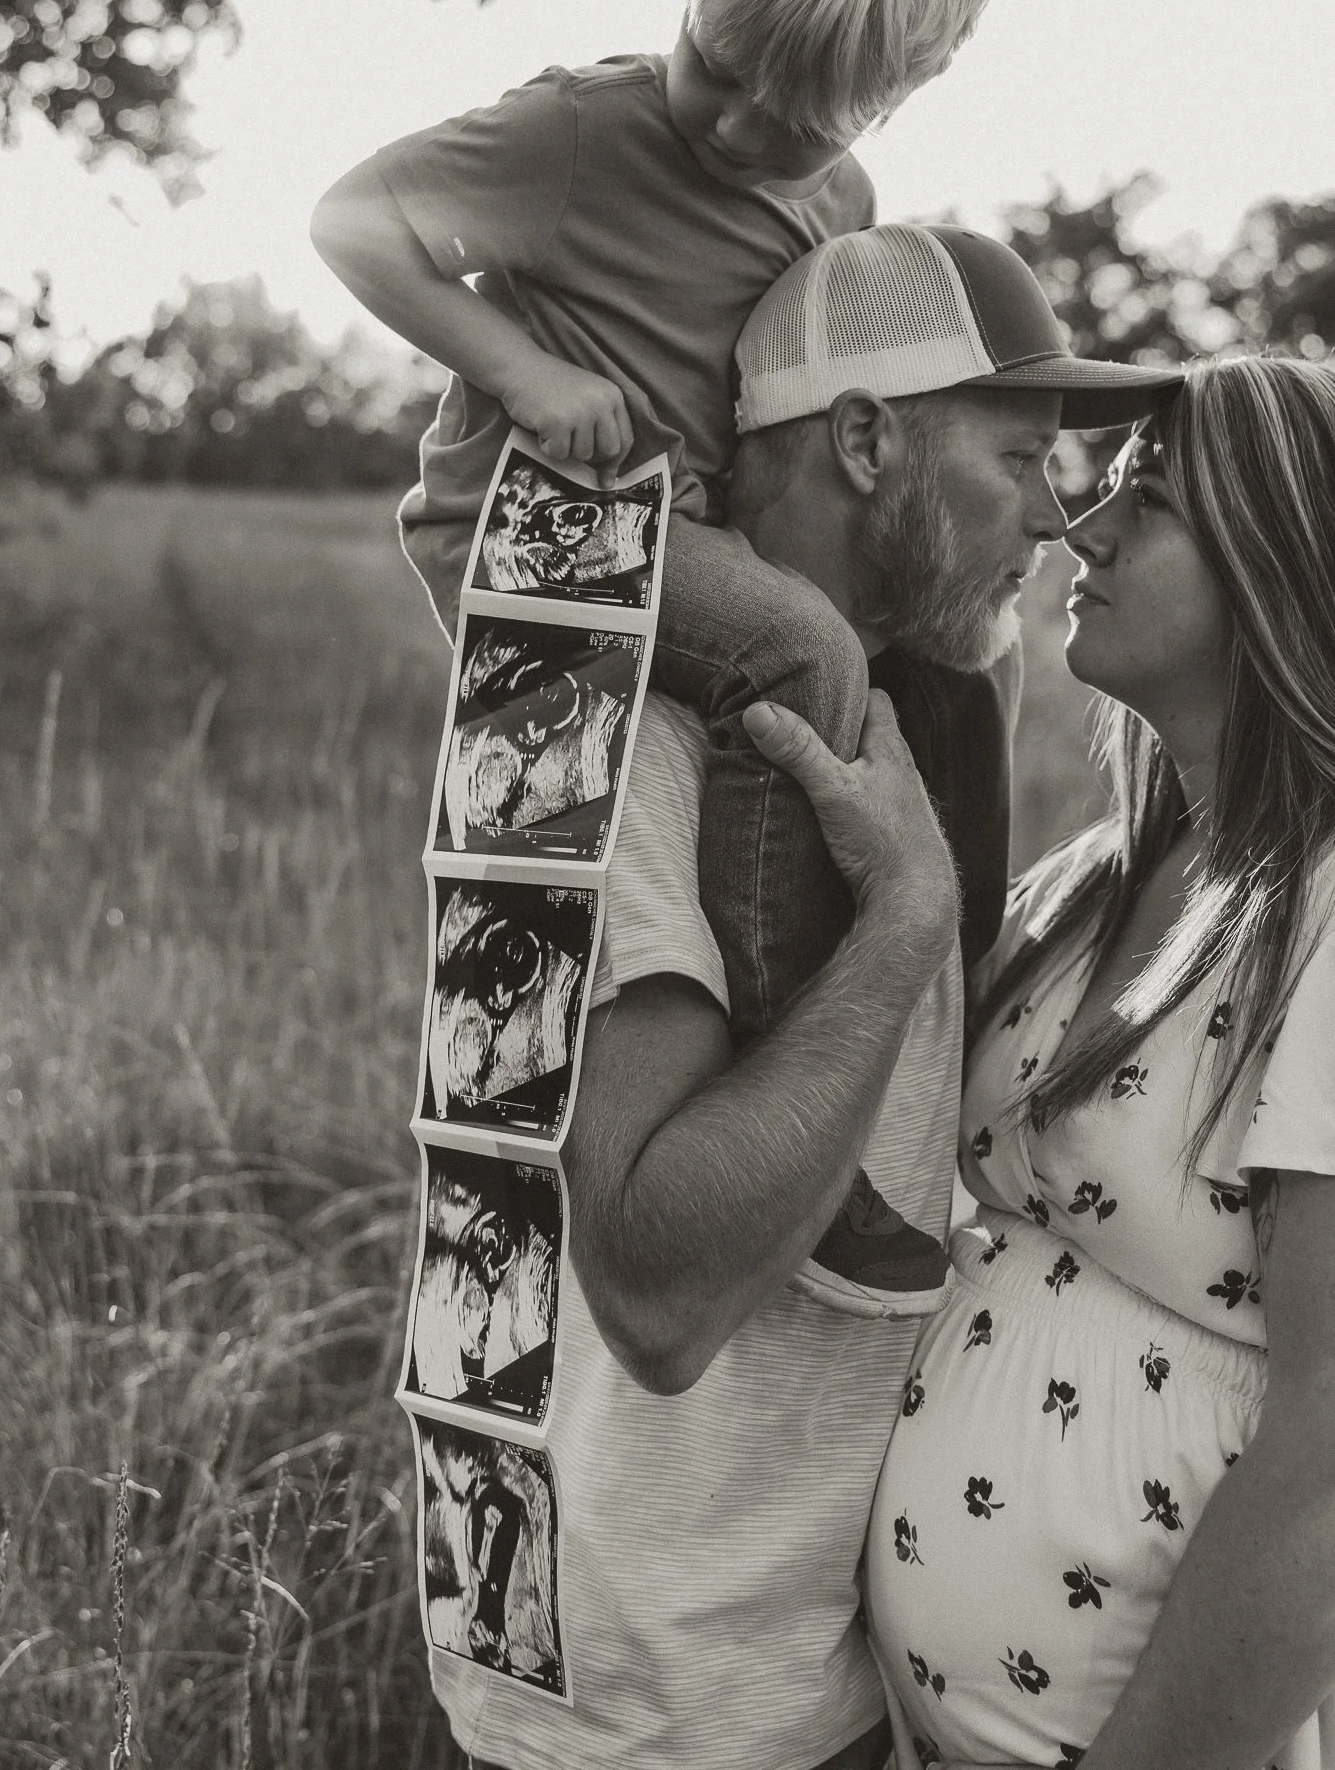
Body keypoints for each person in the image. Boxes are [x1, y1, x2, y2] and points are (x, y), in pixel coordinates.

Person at [434, 227, 1180, 1770]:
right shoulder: (582, 732)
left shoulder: (922, 704)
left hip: (835, 1663)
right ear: (862, 438)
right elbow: (658, 1293)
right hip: (659, 1698)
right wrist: (906, 919)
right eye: (1023, 457)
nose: (1057, 515)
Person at [310, 0, 1008, 1313]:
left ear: (901, 92)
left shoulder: (840, 203)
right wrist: (523, 370)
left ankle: (969, 1039)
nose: (739, 128)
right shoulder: (579, 134)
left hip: (676, 532)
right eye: (719, 64)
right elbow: (356, 221)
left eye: (801, 115)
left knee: (955, 668)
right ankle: (778, 1096)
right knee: (801, 650)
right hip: (537, 525)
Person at [867, 357, 1335, 1770]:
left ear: (1284, 560)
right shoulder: (1087, 882)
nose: (1088, 529)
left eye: (1156, 500)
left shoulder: (1327, 906)